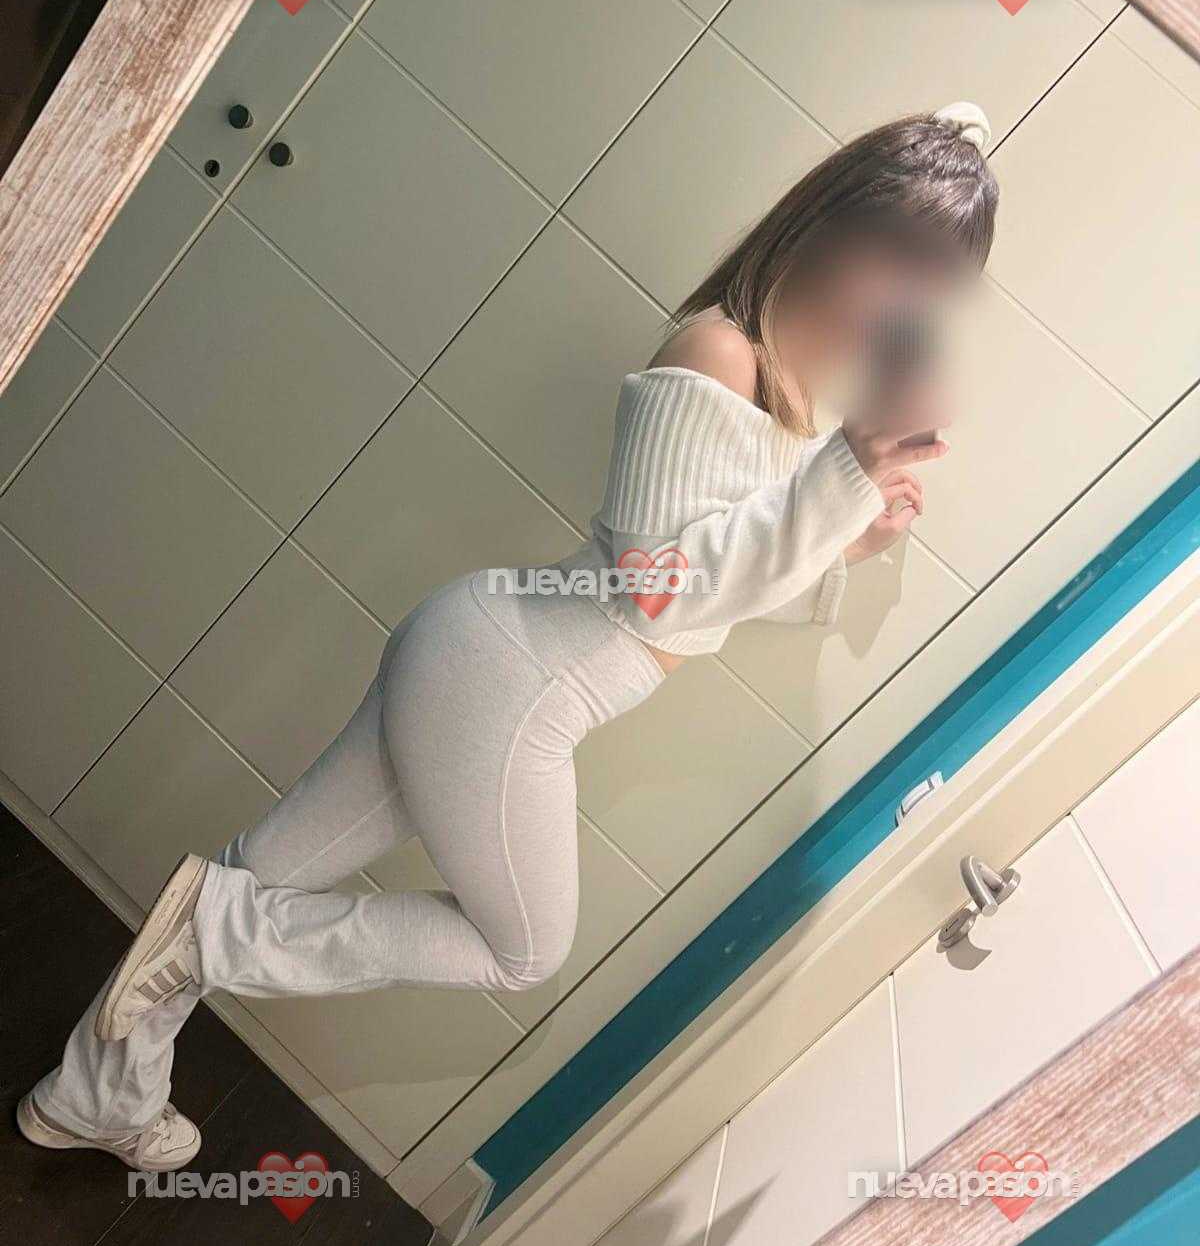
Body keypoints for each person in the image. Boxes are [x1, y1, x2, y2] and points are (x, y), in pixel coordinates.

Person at [19, 103, 998, 1171]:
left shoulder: (795, 402)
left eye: (932, 286)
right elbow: (657, 591)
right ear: (825, 226)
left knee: (260, 878)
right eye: (896, 263)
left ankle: (91, 1092)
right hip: (510, 684)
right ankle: (212, 934)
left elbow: (720, 573)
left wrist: (851, 533)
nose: (904, 304)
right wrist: (843, 479)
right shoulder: (719, 351)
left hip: (484, 662)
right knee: (521, 949)